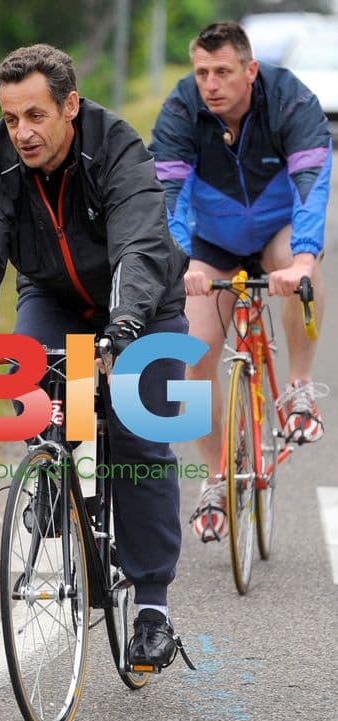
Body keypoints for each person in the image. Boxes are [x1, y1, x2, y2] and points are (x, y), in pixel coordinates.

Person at [0, 44, 190, 666]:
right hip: (52, 297)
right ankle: (56, 474)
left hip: (144, 303)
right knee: (34, 387)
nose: (22, 132)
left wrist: (125, 325)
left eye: (35, 116)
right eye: (10, 118)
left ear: (70, 106)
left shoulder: (118, 148)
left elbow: (138, 245)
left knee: (140, 439)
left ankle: (153, 607)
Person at [149, 21, 330, 543]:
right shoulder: (182, 108)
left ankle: (297, 387)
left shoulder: (291, 99)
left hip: (277, 231)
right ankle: (215, 478)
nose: (211, 84)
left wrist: (302, 259)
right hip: (212, 241)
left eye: (223, 71)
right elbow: (168, 194)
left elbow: (311, 183)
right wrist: (180, 263)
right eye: (202, 72)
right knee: (197, 349)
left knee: (299, 269)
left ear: (250, 70)